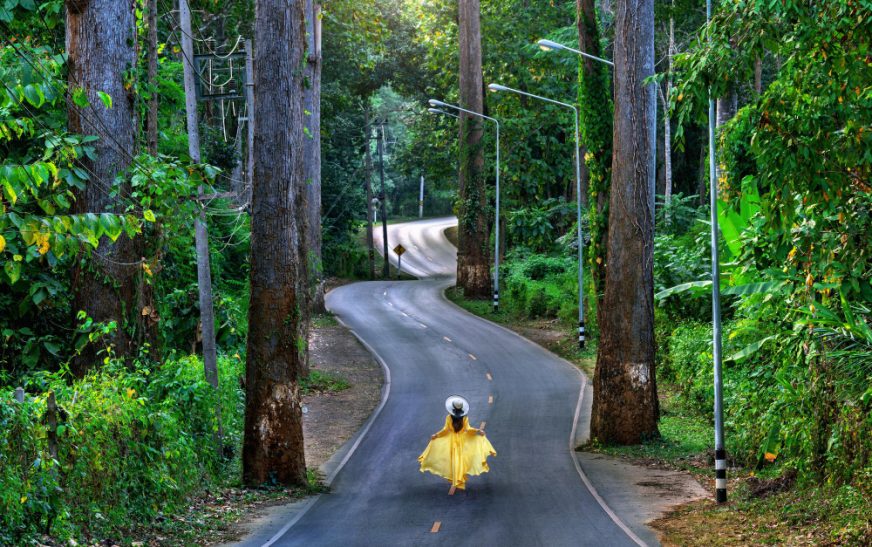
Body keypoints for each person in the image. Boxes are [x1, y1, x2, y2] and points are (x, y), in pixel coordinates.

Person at [418, 395, 496, 490]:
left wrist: (436, 435)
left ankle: (456, 479)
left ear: (453, 409)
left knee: (454, 459)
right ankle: (459, 479)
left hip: (452, 441)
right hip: (462, 441)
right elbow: (468, 429)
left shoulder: (449, 418)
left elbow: (445, 430)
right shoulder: (464, 418)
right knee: (460, 459)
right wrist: (478, 431)